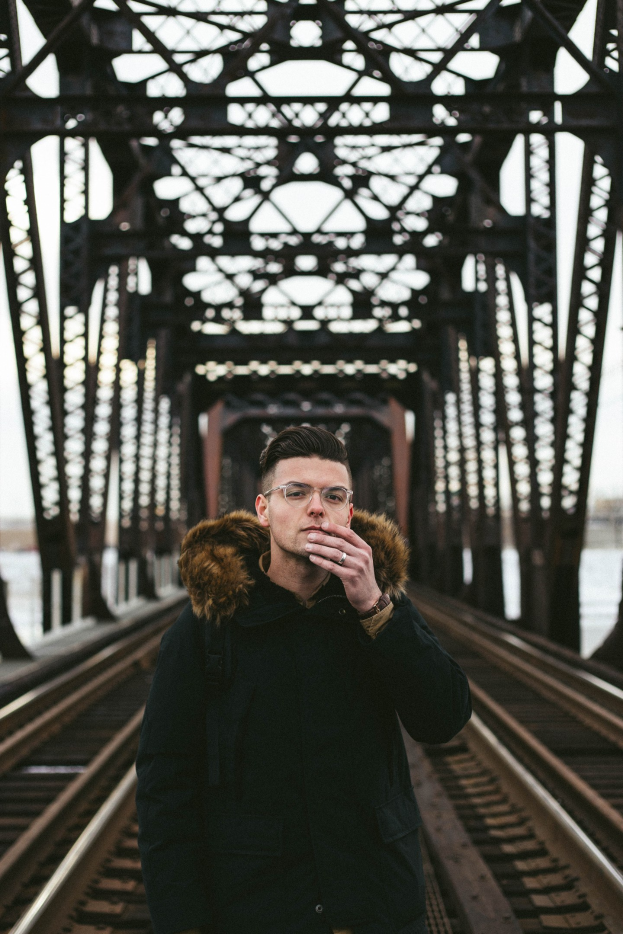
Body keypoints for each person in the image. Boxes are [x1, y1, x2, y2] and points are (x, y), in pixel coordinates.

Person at [136, 425, 471, 934]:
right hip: (258, 908)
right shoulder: (209, 626)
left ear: (349, 513)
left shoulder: (381, 607)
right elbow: (165, 784)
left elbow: (443, 719)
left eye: (334, 496)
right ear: (264, 509)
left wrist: (375, 607)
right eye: (296, 493)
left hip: (374, 903)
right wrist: (182, 922)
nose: (317, 508)